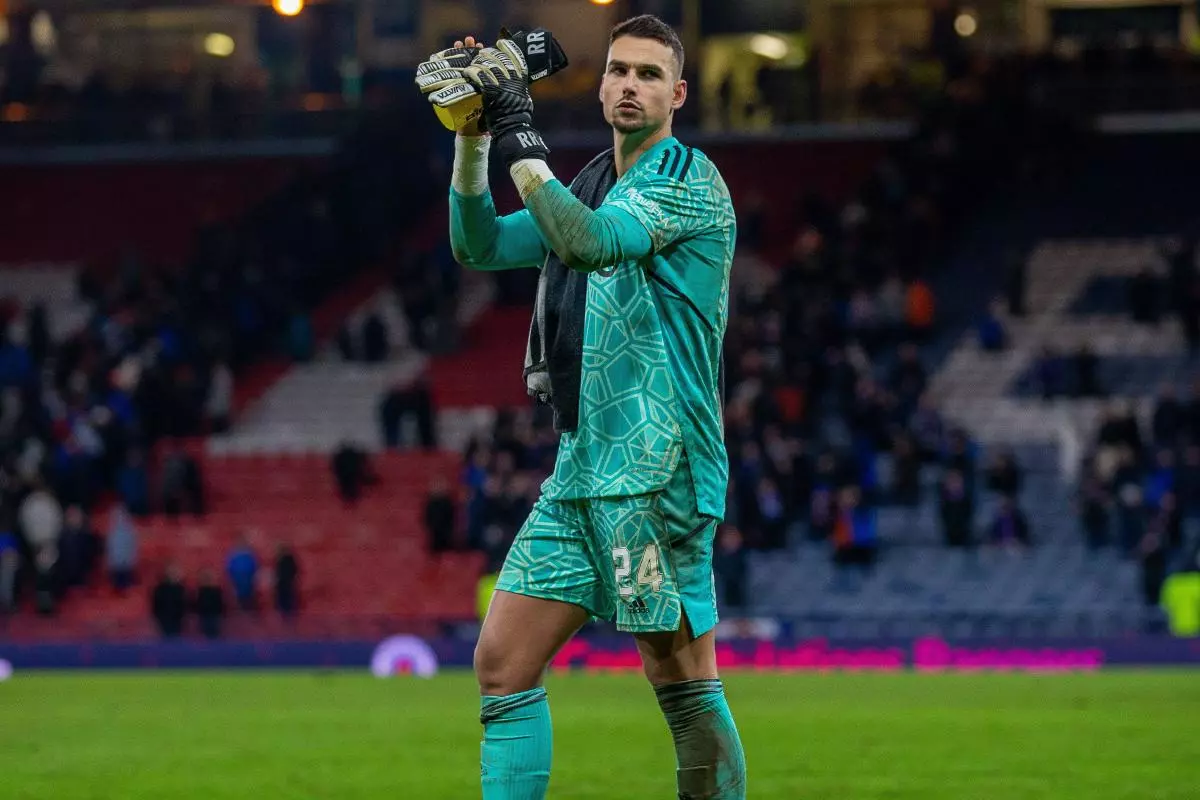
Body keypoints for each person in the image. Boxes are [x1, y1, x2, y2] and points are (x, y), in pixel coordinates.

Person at [431, 15, 745, 799]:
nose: (630, 85)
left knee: (680, 679)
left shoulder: (687, 180)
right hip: (581, 467)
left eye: (648, 74)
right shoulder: (588, 183)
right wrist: (474, 135)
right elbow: (479, 246)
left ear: (676, 94)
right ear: (600, 85)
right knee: (501, 663)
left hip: (658, 469)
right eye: (618, 71)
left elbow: (588, 244)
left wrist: (520, 133)